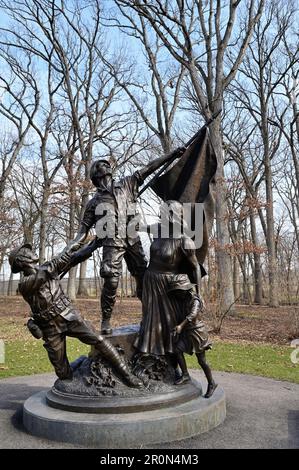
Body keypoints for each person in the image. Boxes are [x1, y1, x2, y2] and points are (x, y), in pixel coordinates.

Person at [63, 148, 185, 335]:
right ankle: (106, 320)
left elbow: (150, 167)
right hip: (112, 243)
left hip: (132, 238)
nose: (105, 166)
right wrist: (71, 247)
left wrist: (173, 154)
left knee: (143, 277)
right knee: (111, 281)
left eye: (106, 164)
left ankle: (150, 314)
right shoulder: (93, 203)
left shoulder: (127, 184)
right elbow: (82, 232)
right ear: (96, 176)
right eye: (100, 165)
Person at [8, 243, 142, 388]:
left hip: (68, 315)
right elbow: (52, 267)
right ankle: (81, 361)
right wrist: (71, 249)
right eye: (27, 252)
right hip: (50, 328)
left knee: (98, 339)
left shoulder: (48, 269)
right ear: (21, 261)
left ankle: (127, 375)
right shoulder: (25, 284)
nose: (32, 252)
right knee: (63, 374)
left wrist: (93, 245)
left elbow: (72, 259)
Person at [134, 200, 206, 358]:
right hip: (150, 282)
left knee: (167, 323)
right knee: (149, 320)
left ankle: (170, 360)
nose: (162, 216)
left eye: (166, 213)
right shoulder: (158, 230)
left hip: (167, 287)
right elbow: (137, 226)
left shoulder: (184, 241)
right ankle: (148, 354)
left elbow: (195, 267)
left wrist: (198, 294)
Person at [168, 275, 217, 398]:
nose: (177, 294)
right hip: (187, 332)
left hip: (197, 333)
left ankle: (212, 383)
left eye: (178, 291)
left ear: (184, 289)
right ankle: (185, 374)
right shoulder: (183, 300)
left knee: (202, 361)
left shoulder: (195, 300)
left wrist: (180, 326)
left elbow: (192, 315)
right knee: (177, 350)